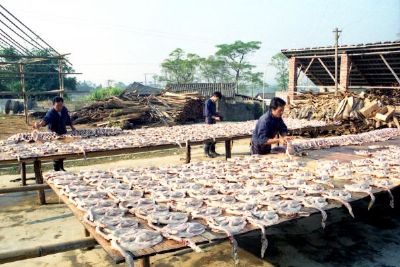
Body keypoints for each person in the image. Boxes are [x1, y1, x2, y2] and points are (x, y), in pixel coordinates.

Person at [33, 96, 75, 171]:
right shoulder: (51, 112)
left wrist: (72, 127)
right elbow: (45, 120)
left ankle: (61, 167)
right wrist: (39, 124)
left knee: (63, 151)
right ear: (53, 105)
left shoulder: (64, 109)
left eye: (61, 105)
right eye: (57, 106)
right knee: (56, 151)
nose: (59, 107)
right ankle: (56, 169)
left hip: (63, 132)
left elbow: (68, 119)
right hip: (53, 134)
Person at [203, 91, 223, 158]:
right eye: (217, 99)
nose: (217, 100)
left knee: (214, 137)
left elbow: (213, 112)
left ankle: (212, 151)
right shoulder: (208, 102)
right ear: (214, 96)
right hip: (208, 121)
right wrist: (215, 117)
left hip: (213, 121)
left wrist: (218, 115)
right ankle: (206, 152)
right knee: (209, 137)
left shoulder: (213, 103)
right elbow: (207, 113)